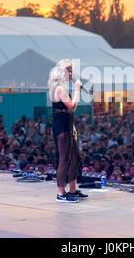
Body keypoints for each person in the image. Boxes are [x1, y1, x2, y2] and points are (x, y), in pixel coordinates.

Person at [48, 59, 87, 203]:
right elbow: (72, 107)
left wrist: (73, 127)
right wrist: (77, 90)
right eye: (69, 70)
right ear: (62, 71)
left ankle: (72, 189)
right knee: (64, 159)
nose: (71, 73)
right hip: (62, 128)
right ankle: (61, 193)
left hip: (67, 125)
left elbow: (66, 112)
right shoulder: (59, 88)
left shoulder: (59, 87)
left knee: (76, 158)